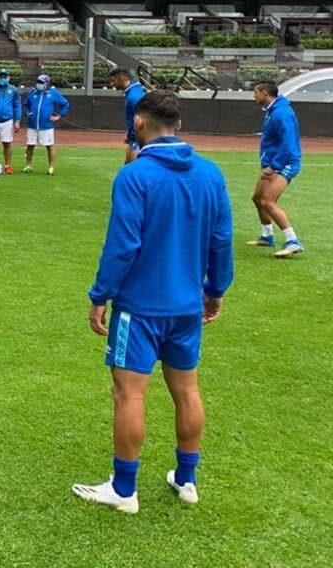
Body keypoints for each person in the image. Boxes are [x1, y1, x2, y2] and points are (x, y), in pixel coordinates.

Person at [73, 90, 233, 514]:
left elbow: (123, 244)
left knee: (129, 395)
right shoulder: (210, 174)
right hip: (186, 307)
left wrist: (99, 296)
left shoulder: (134, 176)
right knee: (187, 390)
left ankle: (124, 489)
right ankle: (186, 479)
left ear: (139, 124)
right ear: (177, 125)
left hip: (140, 307)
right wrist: (215, 291)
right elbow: (221, 240)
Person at [247, 81, 303, 258]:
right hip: (274, 162)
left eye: (255, 92)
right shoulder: (273, 110)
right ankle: (267, 236)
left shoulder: (281, 114)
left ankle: (292, 241)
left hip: (285, 163)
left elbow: (289, 145)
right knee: (257, 198)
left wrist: (273, 167)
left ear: (264, 92)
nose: (254, 96)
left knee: (267, 201)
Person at [22, 74, 71, 175]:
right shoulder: (32, 92)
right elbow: (26, 104)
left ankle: (51, 167)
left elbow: (65, 104)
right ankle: (28, 165)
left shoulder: (53, 93)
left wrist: (59, 115)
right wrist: (27, 112)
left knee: (49, 146)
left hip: (47, 125)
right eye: (38, 82)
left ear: (46, 83)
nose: (38, 84)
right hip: (33, 124)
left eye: (41, 82)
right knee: (30, 146)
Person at [112, 68, 146, 165]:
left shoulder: (134, 96)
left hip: (138, 141)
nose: (112, 84)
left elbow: (143, 119)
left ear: (122, 78)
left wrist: (137, 140)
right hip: (135, 139)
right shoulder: (133, 93)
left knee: (132, 172)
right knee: (129, 170)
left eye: (114, 80)